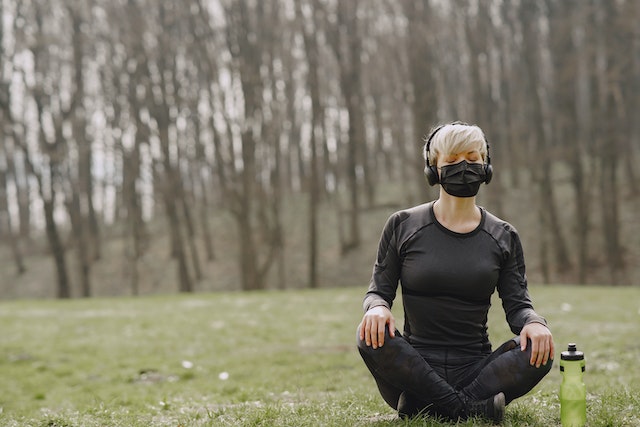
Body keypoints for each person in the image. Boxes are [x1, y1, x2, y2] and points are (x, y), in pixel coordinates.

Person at [356, 122, 554, 424]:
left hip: (478, 368)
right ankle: (470, 409)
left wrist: (535, 323)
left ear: (486, 167)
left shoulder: (504, 235)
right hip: (414, 366)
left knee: (542, 349)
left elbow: (518, 305)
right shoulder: (402, 225)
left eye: (473, 159)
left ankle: (424, 405)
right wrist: (377, 308)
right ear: (433, 170)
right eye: (452, 160)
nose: (464, 167)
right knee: (369, 336)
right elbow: (378, 291)